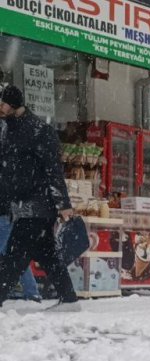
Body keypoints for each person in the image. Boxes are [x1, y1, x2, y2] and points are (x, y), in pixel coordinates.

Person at [0, 84, 80, 312]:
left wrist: (63, 204)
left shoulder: (39, 130)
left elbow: (53, 169)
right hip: (21, 205)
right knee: (48, 255)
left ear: (14, 105)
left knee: (14, 258)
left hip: (38, 205)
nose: (0, 107)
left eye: (3, 103)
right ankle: (70, 300)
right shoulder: (7, 129)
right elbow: (6, 171)